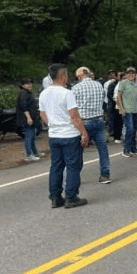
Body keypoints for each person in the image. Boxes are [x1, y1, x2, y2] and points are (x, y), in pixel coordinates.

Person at [39, 63, 90, 208]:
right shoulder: (67, 93)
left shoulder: (44, 94)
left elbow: (42, 114)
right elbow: (74, 115)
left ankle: (55, 197)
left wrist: (52, 123)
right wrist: (83, 132)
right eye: (66, 75)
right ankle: (71, 196)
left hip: (54, 135)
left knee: (56, 166)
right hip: (69, 134)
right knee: (73, 166)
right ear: (63, 76)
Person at [72, 66, 111, 184]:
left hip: (84, 121)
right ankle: (105, 174)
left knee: (78, 150)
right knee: (102, 148)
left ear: (79, 76)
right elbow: (104, 101)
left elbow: (72, 107)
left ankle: (75, 177)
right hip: (98, 119)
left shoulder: (76, 88)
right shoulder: (98, 85)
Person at [116, 66, 137, 157]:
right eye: (129, 73)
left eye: (133, 73)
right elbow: (118, 96)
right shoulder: (123, 83)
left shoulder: (136, 85)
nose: (131, 75)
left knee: (134, 129)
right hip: (127, 110)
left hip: (135, 110)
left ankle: (133, 148)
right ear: (126, 75)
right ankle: (126, 149)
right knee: (129, 129)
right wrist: (121, 108)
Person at [16, 77, 42, 162]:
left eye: (30, 83)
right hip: (26, 118)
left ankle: (35, 152)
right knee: (29, 136)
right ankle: (29, 154)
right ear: (23, 85)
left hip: (32, 117)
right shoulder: (23, 93)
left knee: (32, 136)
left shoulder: (29, 92)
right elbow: (24, 106)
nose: (29, 85)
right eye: (27, 83)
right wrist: (28, 117)